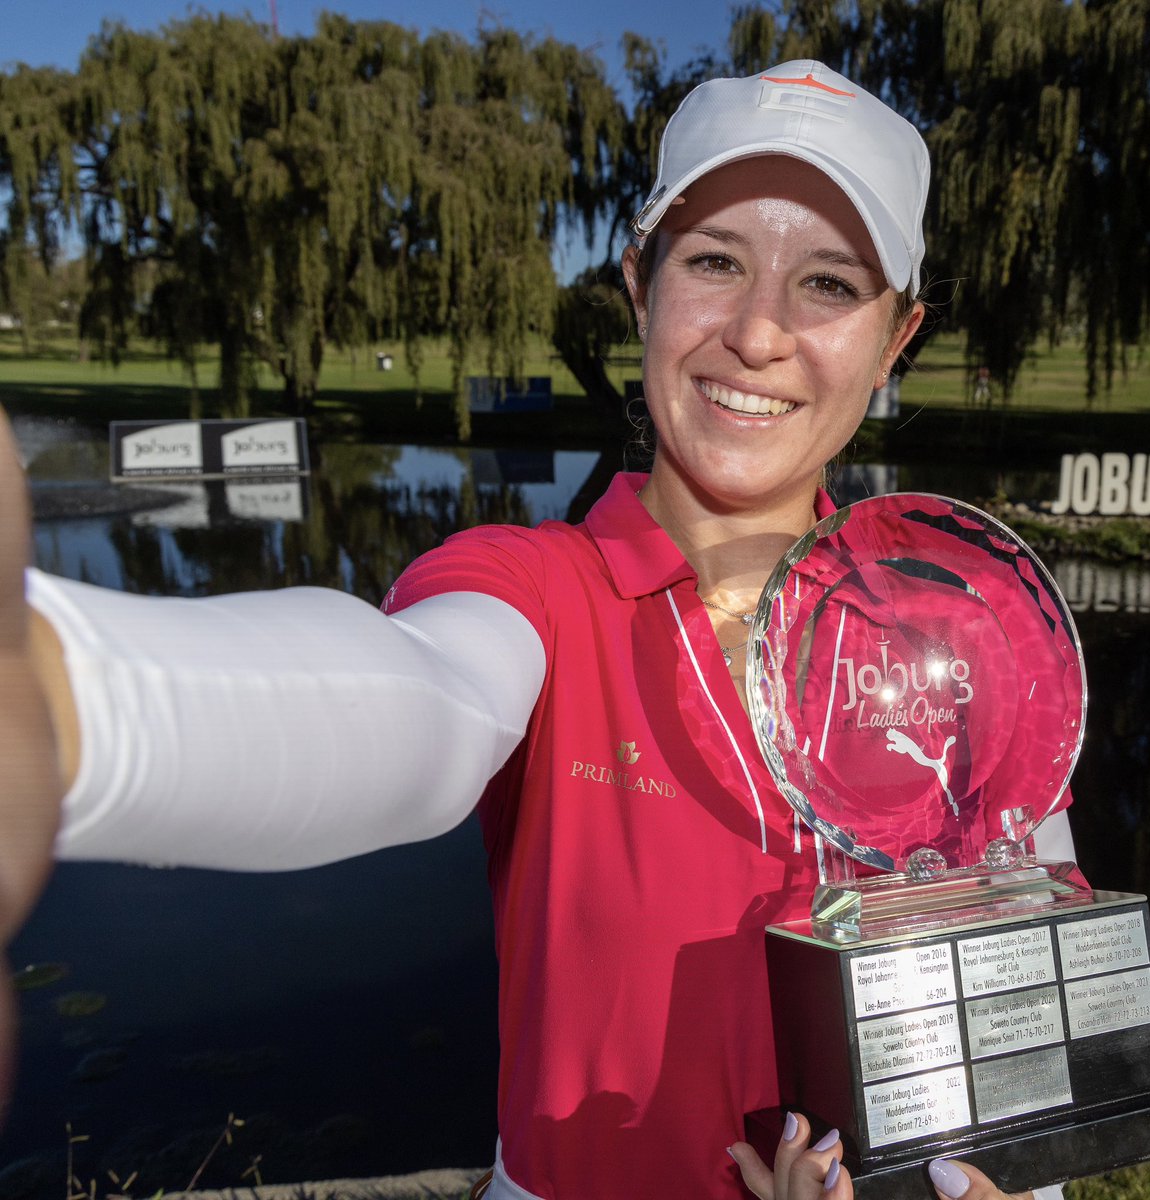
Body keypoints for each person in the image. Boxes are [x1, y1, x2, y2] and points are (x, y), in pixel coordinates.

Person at [0, 59, 1075, 1200]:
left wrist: (990, 1187)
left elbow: (1023, 1002)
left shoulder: (964, 638)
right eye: (714, 262)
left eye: (827, 283)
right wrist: (67, 700)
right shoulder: (536, 588)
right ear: (638, 283)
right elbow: (415, 707)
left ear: (896, 337)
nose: (759, 334)